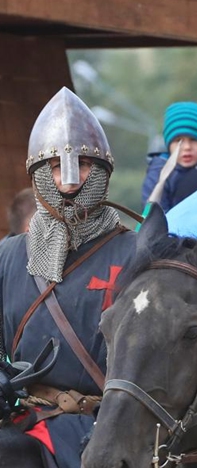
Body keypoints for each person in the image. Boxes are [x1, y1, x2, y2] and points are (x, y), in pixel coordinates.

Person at [0, 87, 137, 468]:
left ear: (103, 171)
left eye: (85, 165)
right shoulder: (9, 256)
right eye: (58, 166)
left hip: (118, 429)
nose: (71, 180)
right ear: (41, 174)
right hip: (30, 429)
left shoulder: (136, 252)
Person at [141, 101, 197, 212]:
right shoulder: (159, 174)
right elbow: (155, 217)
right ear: (169, 144)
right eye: (178, 141)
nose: (186, 147)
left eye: (193, 140)